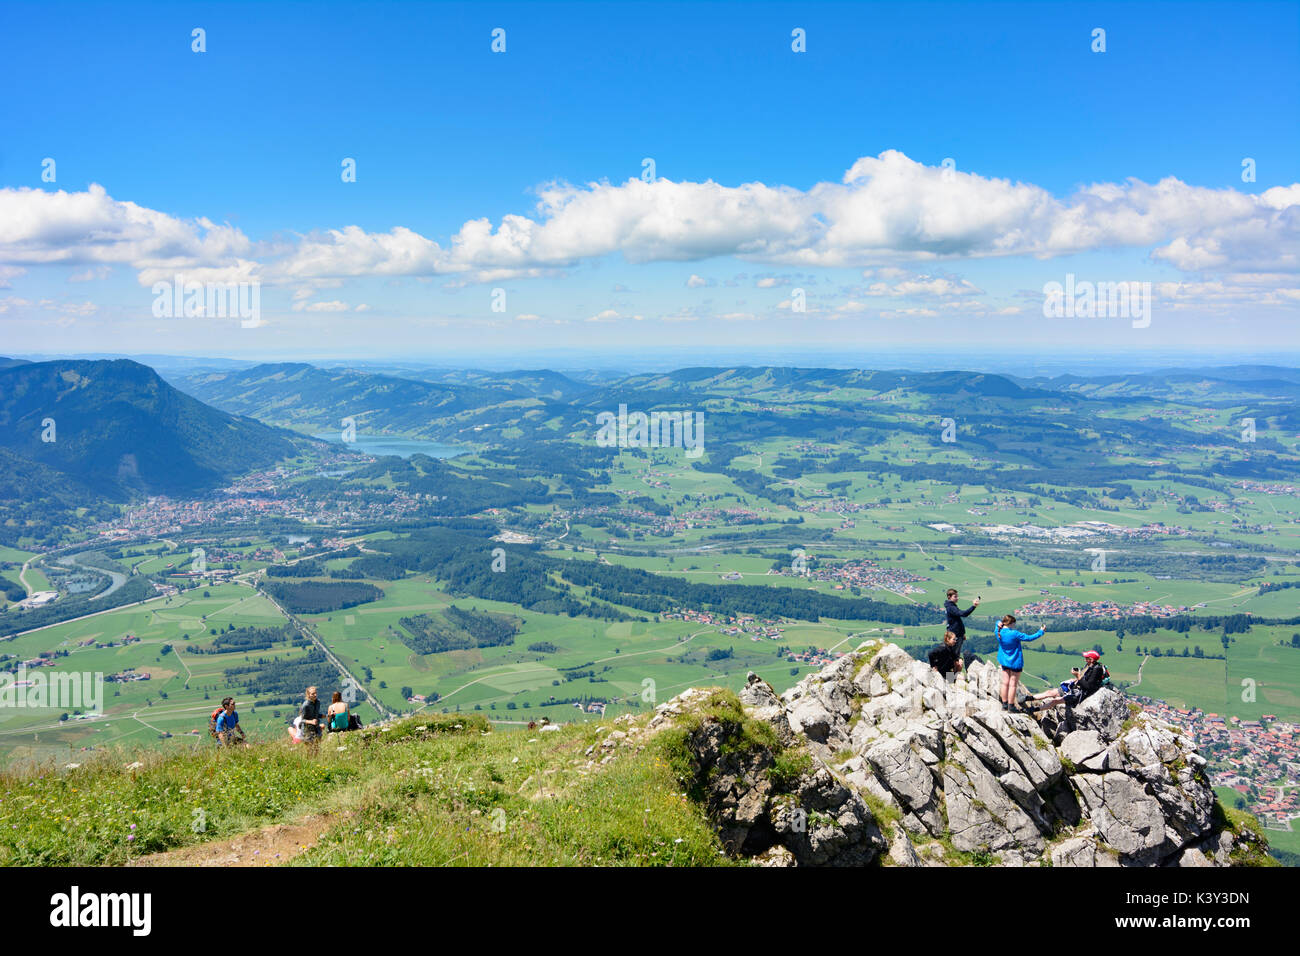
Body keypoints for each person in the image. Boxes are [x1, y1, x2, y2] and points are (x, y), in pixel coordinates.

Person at [1024, 650, 1110, 711]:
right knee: (1050, 692)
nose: (1085, 659)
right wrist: (1075, 678)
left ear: (1091, 659)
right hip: (1074, 686)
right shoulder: (1089, 665)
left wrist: (1078, 676)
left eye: (1087, 658)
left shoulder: (1096, 670)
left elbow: (1088, 687)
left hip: (1078, 694)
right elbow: (1083, 678)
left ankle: (1033, 710)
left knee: (1054, 701)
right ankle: (1027, 698)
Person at [995, 614, 1044, 712]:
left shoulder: (998, 631)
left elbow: (997, 624)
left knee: (1005, 683)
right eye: (1014, 624)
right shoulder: (1014, 634)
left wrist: (998, 623)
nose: (1015, 626)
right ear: (1011, 623)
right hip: (1015, 662)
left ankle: (1004, 705)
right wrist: (1041, 632)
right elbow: (1029, 638)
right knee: (1013, 685)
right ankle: (1011, 706)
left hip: (1004, 661)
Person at [943, 589, 981, 665]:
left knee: (954, 656)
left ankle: (952, 676)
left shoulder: (951, 606)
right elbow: (963, 614)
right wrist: (973, 606)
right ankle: (950, 676)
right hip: (955, 634)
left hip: (956, 634)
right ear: (949, 597)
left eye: (957, 596)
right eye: (955, 596)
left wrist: (962, 633)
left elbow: (956, 621)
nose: (957, 598)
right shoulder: (951, 607)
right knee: (954, 656)